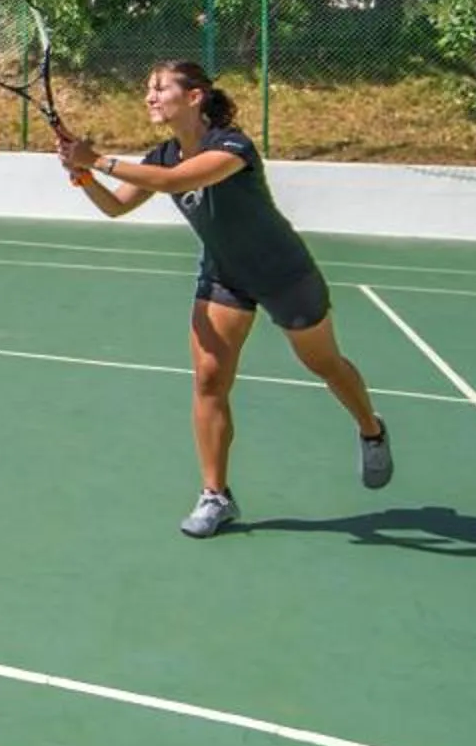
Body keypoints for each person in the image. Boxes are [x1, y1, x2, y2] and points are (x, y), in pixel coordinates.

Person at [57, 60, 392, 538]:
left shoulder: (232, 145)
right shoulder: (161, 155)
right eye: (147, 89)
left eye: (159, 88)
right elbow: (116, 206)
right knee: (210, 380)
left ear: (193, 97)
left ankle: (370, 427)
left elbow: (180, 182)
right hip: (224, 275)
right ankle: (216, 495)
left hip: (283, 273)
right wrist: (83, 175)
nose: (149, 97)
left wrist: (98, 160)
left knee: (325, 364)